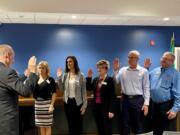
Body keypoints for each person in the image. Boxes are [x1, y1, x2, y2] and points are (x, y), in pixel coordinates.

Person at [0, 44, 38, 135]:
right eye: (13, 58)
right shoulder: (7, 72)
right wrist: (33, 71)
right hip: (6, 123)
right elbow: (26, 91)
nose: (13, 61)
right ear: (7, 56)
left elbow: (8, 84)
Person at [116, 50, 150, 135]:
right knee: (125, 124)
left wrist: (146, 104)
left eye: (132, 57)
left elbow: (146, 87)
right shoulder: (122, 70)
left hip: (138, 100)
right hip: (125, 100)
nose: (129, 59)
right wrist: (116, 70)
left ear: (137, 59)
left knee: (137, 124)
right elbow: (116, 81)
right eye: (129, 57)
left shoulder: (144, 71)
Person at [150, 52, 180, 135]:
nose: (163, 59)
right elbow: (145, 82)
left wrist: (175, 110)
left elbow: (178, 93)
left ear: (172, 62)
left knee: (163, 128)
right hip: (153, 104)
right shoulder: (154, 71)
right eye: (162, 57)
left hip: (165, 105)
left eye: (166, 59)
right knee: (155, 128)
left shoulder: (175, 74)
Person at [57, 56, 87, 135]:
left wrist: (84, 106)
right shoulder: (65, 75)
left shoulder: (81, 75)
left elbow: (84, 92)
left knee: (78, 125)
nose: (68, 63)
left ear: (74, 63)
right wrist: (59, 77)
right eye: (67, 62)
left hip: (78, 103)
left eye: (70, 61)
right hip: (68, 103)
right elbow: (61, 89)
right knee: (70, 124)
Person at [86, 59, 116, 135]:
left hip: (106, 108)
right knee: (100, 127)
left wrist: (111, 110)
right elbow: (89, 88)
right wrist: (89, 78)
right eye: (98, 67)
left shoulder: (110, 80)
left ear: (106, 69)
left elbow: (112, 96)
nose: (99, 69)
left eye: (101, 67)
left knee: (107, 128)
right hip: (96, 108)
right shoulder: (96, 79)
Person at [33, 61, 57, 135]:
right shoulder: (35, 79)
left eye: (43, 68)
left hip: (47, 104)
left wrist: (51, 105)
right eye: (39, 68)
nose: (41, 69)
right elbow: (34, 94)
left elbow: (54, 93)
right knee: (41, 126)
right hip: (38, 105)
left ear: (46, 69)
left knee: (48, 126)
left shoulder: (51, 79)